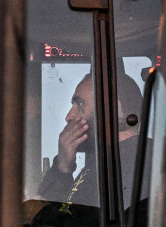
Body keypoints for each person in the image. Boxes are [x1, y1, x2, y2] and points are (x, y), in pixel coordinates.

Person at [36, 72, 145, 211]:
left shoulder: (122, 167)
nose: (69, 116)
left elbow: (47, 222)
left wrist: (61, 171)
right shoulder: (108, 163)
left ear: (113, 111)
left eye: (80, 105)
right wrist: (63, 167)